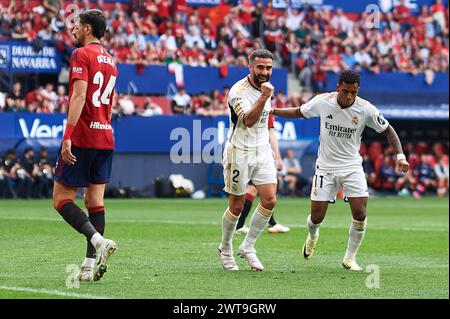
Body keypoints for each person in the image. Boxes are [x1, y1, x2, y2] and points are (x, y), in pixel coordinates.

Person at [271, 70, 409, 270]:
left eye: (353, 92)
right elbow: (299, 112)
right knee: (317, 217)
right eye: (345, 91)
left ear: (357, 90)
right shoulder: (323, 102)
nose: (349, 96)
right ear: (338, 87)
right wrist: (273, 111)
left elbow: (388, 130)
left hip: (352, 166)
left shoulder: (365, 109)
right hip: (325, 167)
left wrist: (401, 156)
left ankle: (350, 258)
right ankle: (312, 235)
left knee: (360, 213)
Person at [52, 9, 118, 282]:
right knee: (95, 201)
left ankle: (98, 241)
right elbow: (110, 105)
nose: (73, 30)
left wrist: (68, 135)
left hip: (83, 136)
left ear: (88, 28)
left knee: (61, 199)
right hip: (106, 135)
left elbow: (79, 96)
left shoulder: (81, 55)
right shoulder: (111, 60)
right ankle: (89, 266)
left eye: (77, 26)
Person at [219, 49, 278, 271]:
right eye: (260, 67)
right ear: (250, 67)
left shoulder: (268, 89)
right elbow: (249, 121)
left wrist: (273, 151)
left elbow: (266, 123)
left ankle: (248, 246)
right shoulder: (238, 91)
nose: (265, 72)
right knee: (236, 205)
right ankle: (225, 248)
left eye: (269, 68)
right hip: (239, 152)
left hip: (261, 151)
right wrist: (263, 97)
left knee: (270, 200)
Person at [235, 114, 290, 235]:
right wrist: (278, 156)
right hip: (258, 155)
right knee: (257, 189)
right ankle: (241, 225)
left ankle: (269, 223)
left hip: (250, 152)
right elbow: (270, 134)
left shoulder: (255, 105)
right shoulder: (265, 109)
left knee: (256, 190)